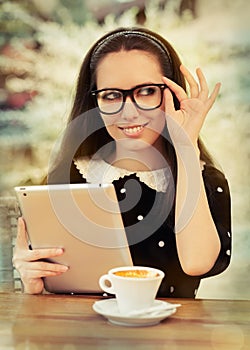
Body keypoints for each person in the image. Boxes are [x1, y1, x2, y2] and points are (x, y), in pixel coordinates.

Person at [13, 27, 231, 297]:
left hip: (172, 337)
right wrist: (33, 284)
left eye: (147, 91)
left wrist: (185, 146)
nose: (129, 112)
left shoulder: (205, 180)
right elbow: (57, 291)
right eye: (111, 95)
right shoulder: (68, 176)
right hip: (82, 335)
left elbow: (197, 262)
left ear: (173, 94)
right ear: (96, 103)